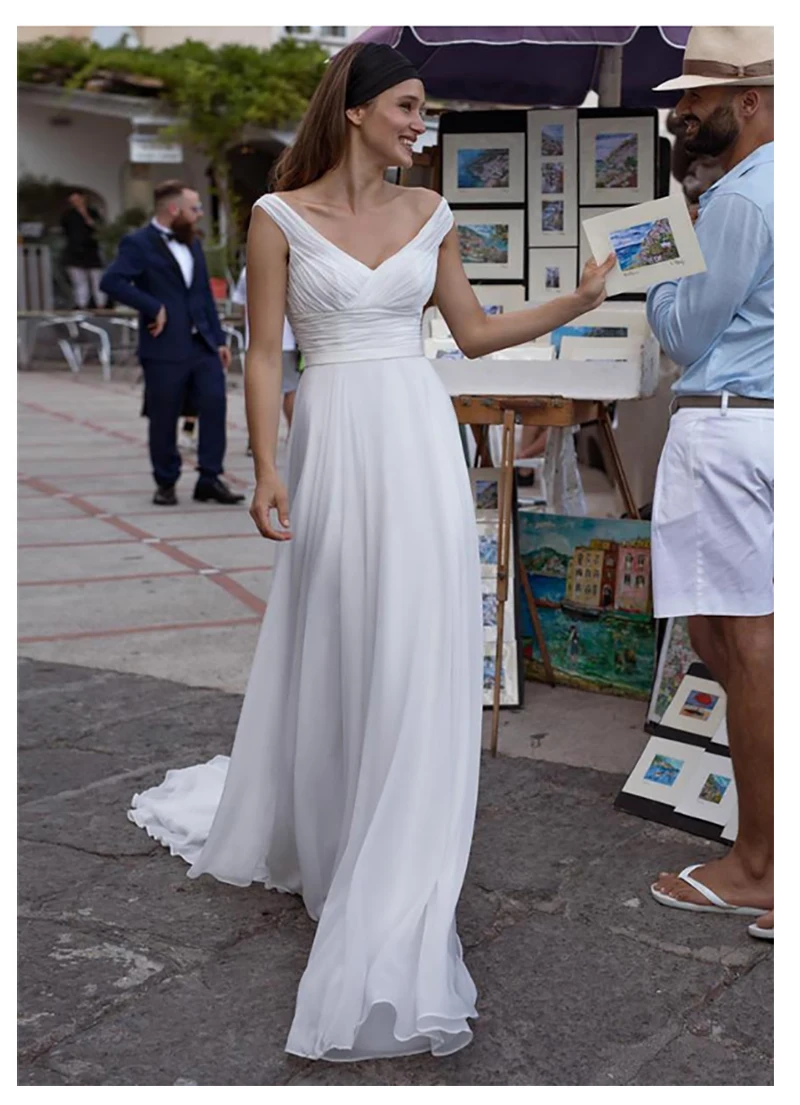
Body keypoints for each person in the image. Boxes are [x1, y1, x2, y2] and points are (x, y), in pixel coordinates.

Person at [127, 42, 615, 1060]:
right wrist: (266, 468)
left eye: (420, 109)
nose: (417, 122)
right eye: (404, 104)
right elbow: (263, 353)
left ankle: (398, 872)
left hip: (415, 442)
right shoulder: (276, 218)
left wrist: (573, 301)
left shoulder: (430, 210)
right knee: (342, 638)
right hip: (333, 448)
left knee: (414, 645)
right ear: (353, 111)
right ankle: (337, 830)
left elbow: (472, 335)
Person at [645, 27, 774, 942]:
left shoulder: (741, 198)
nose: (684, 111)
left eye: (697, 97)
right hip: (763, 422)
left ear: (754, 101)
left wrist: (656, 262)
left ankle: (761, 865)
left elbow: (686, 332)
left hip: (732, 423)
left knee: (745, 640)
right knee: (734, 633)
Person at [101, 180, 244, 507]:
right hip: (164, 345)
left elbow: (203, 294)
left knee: (214, 405)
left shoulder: (192, 242)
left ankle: (210, 478)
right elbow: (112, 281)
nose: (200, 214)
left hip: (202, 345)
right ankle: (166, 481)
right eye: (195, 208)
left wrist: (219, 339)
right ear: (173, 209)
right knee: (164, 415)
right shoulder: (138, 243)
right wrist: (153, 306)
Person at [231, 263, 301, 436]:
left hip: (255, 340)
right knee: (290, 389)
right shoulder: (292, 268)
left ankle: (256, 439)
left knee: (261, 392)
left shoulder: (249, 269)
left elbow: (240, 304)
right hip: (285, 338)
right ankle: (293, 434)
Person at [61, 190, 107, 309]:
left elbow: (99, 228)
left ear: (83, 199)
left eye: (78, 200)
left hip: (91, 250)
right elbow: (65, 231)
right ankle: (82, 306)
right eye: (73, 201)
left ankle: (100, 305)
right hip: (75, 251)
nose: (76, 202)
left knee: (97, 279)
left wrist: (85, 215)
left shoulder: (93, 213)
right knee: (80, 282)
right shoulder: (68, 215)